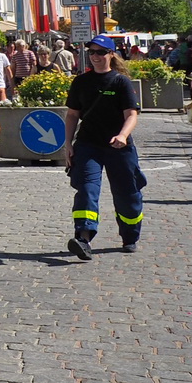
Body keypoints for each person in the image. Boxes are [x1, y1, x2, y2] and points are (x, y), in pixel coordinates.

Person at [63, 36, 146, 260]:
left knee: (127, 194)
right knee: (87, 189)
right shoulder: (81, 82)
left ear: (111, 54)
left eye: (100, 52)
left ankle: (130, 236)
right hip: (88, 145)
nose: (95, 56)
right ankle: (83, 237)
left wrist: (123, 135)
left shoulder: (120, 82)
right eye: (92, 52)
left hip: (119, 147)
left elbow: (131, 114)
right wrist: (67, 144)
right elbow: (72, 115)